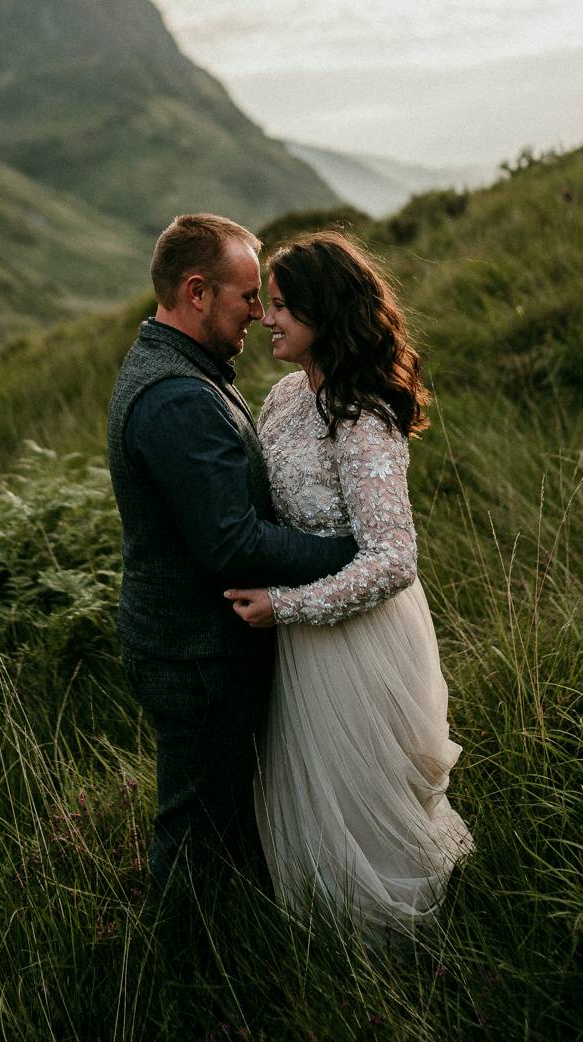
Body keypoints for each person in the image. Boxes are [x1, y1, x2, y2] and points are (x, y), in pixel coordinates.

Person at [223, 231, 473, 932]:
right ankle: (316, 932)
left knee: (359, 796)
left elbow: (393, 559)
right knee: (307, 792)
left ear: (325, 312)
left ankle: (388, 946)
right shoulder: (283, 399)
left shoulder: (362, 417)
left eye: (282, 307)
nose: (266, 319)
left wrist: (287, 605)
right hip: (299, 639)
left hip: (356, 640)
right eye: (266, 304)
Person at [105, 213, 360, 888]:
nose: (259, 312)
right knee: (195, 839)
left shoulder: (182, 365)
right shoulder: (177, 398)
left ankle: (232, 947)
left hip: (197, 647)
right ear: (196, 292)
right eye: (247, 295)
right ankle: (179, 976)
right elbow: (232, 543)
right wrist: (349, 555)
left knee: (222, 822)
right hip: (196, 657)